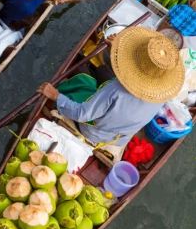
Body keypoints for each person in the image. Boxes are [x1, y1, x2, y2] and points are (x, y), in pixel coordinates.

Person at [38, 28, 185, 161]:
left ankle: (68, 86)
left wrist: (55, 95)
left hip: (95, 132)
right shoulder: (163, 93)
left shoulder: (116, 89)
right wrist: (116, 49)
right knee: (103, 72)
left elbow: (83, 113)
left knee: (83, 77)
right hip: (119, 136)